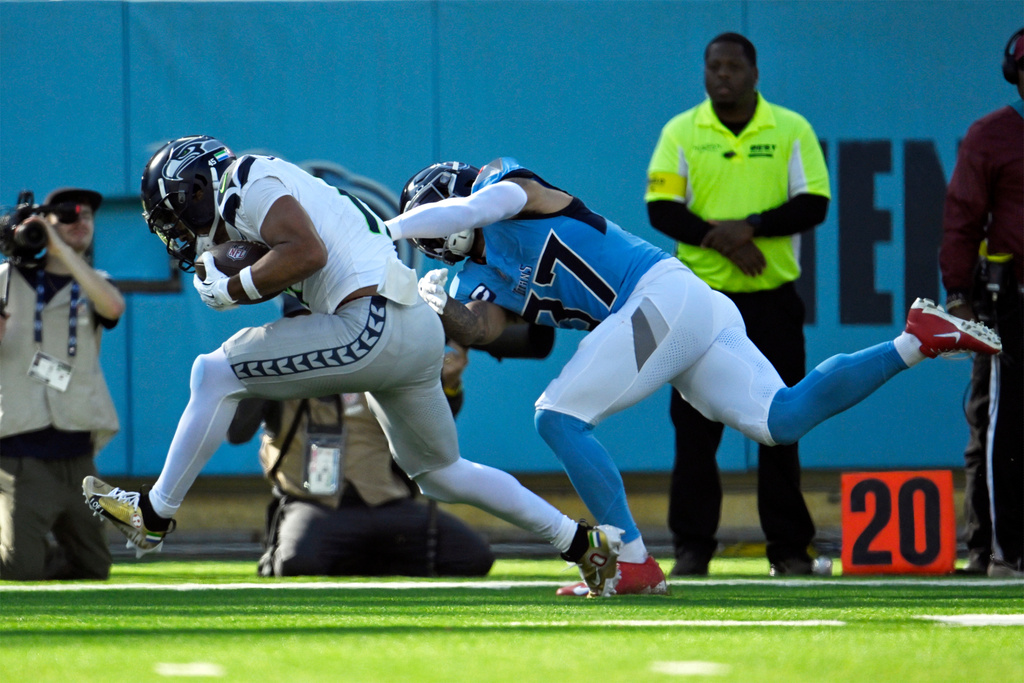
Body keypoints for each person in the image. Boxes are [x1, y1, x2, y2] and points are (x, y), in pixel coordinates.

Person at [386, 156, 1001, 596]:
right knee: (779, 419)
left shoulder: (503, 184)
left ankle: (629, 559)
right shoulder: (471, 271)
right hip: (685, 305)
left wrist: (387, 230)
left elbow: (482, 205)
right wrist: (435, 307)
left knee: (558, 417)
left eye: (435, 223)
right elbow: (482, 330)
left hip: (657, 294)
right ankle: (916, 342)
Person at [81, 136, 622, 597]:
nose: (175, 230)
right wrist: (239, 279)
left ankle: (153, 516)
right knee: (442, 473)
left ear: (197, 188)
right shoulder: (263, 191)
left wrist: (235, 286)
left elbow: (306, 253)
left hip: (371, 322)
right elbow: (298, 254)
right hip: (411, 327)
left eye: (173, 213)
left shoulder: (247, 177)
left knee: (214, 373)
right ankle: (582, 542)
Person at [644, 32, 830, 576]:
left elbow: (813, 202)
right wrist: (723, 239)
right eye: (712, 67)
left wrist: (750, 228)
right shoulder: (681, 131)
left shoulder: (790, 128)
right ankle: (692, 549)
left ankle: (790, 550)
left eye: (732, 66)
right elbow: (662, 209)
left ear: (753, 72)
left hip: (771, 301)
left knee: (783, 422)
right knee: (694, 427)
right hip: (699, 304)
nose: (721, 75)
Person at [228, 296, 493, 577]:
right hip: (315, 506)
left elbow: (429, 425)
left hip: (385, 502)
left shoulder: (380, 357)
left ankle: (354, 557)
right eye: (304, 322)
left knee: (473, 556)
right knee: (297, 563)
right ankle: (357, 556)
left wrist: (448, 384)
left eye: (326, 321)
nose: (315, 331)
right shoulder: (274, 367)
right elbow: (237, 433)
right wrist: (259, 370)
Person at [0, 188, 124, 580]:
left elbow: (112, 307)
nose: (81, 222)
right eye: (68, 216)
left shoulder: (93, 283)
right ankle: (24, 549)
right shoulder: (3, 279)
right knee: (19, 570)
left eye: (87, 216)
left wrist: (60, 249)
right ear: (42, 222)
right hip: (20, 451)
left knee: (94, 568)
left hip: (76, 452)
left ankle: (33, 548)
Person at [939, 27, 1023, 578]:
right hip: (1013, 300)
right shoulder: (991, 135)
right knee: (1004, 424)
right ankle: (1002, 548)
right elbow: (962, 219)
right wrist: (958, 294)